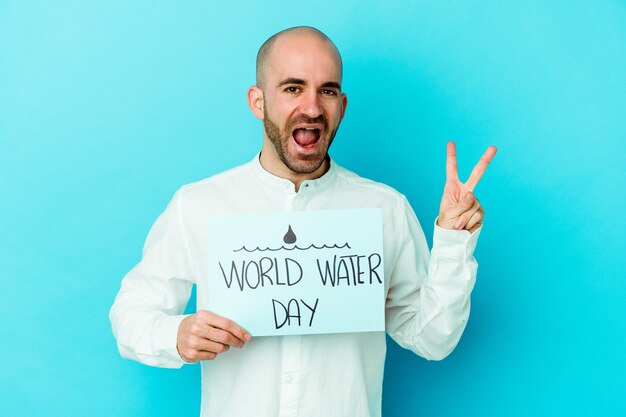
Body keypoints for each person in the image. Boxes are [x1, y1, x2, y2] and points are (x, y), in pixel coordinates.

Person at [110, 26, 497, 417]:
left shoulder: (385, 209)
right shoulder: (198, 205)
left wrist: (452, 240)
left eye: (326, 90)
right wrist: (175, 335)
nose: (312, 108)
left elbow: (433, 339)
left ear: (342, 106)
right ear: (258, 102)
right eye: (293, 88)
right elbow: (129, 316)